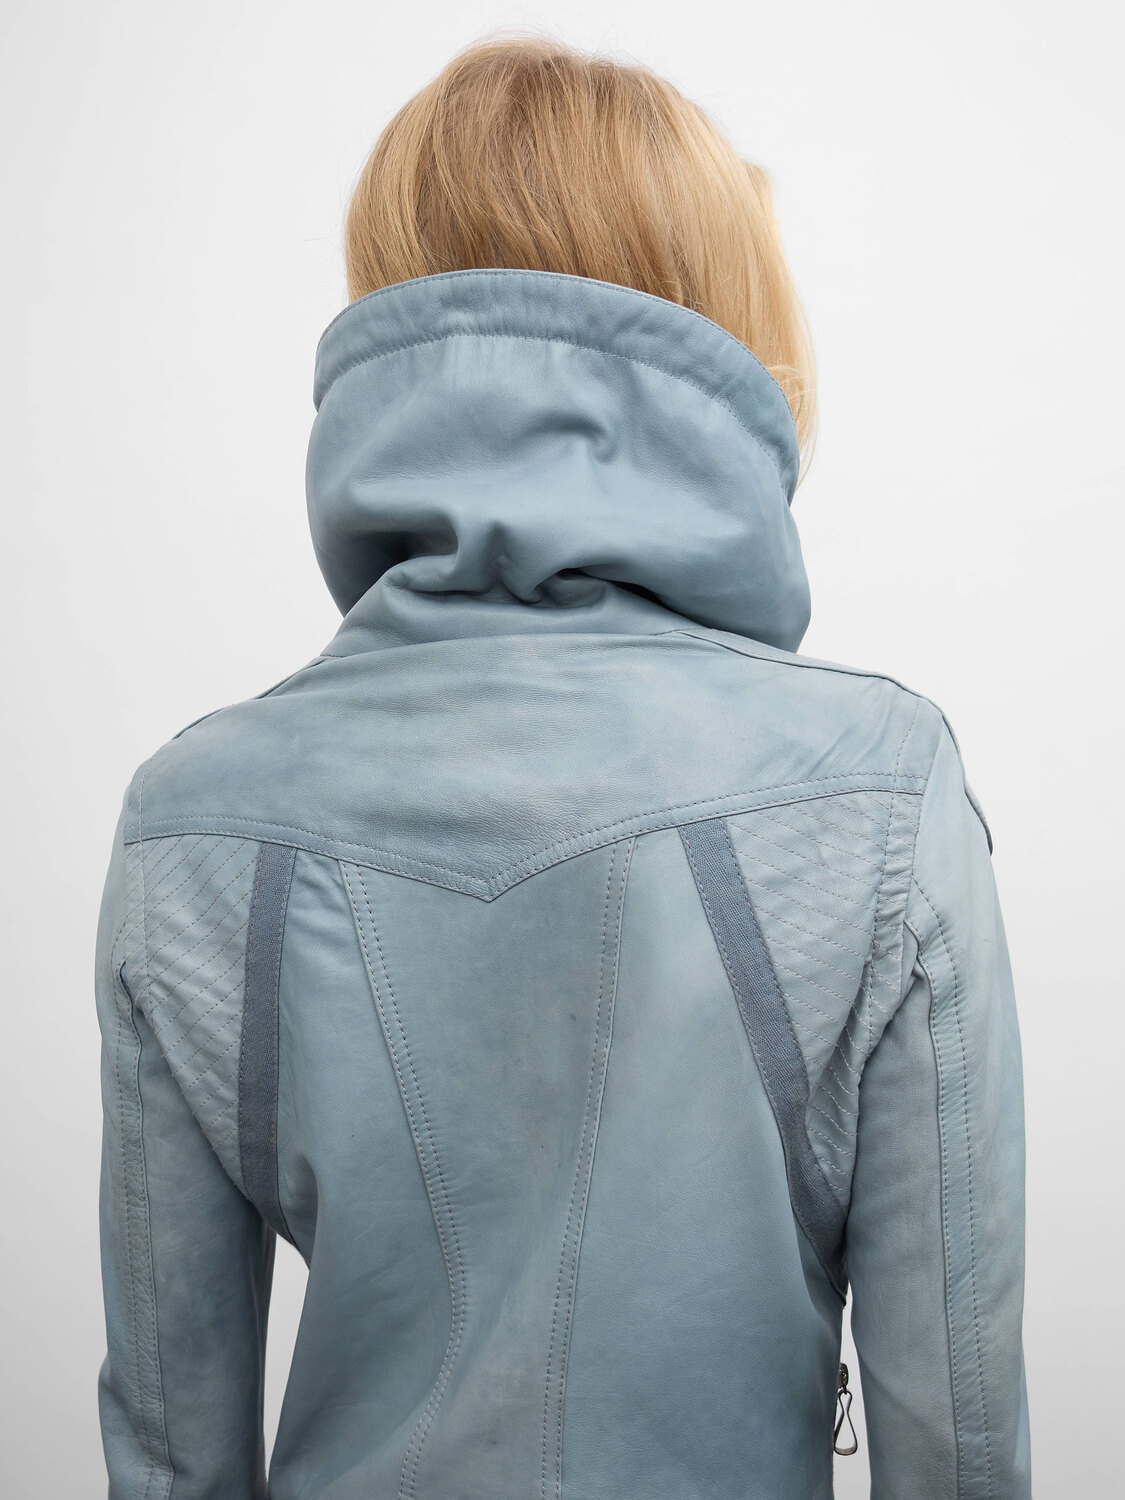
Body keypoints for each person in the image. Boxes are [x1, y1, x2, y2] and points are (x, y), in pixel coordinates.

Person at [94, 34, 1031, 1500]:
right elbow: (956, 1447)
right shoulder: (877, 788)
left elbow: (168, 1460)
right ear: (727, 315)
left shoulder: (191, 820)